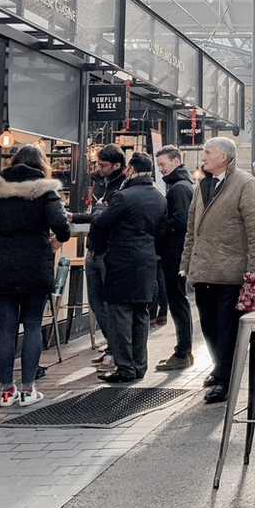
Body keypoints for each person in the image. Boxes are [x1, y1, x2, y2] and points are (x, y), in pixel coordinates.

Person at [0, 145, 70, 406]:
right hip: (35, 261)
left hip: (3, 261)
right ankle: (28, 389)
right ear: (41, 164)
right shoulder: (45, 189)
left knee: (6, 327)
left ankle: (7, 391)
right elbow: (60, 224)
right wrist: (58, 240)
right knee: (32, 324)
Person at [181, 137, 255, 404]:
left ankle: (224, 379)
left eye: (208, 152)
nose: (203, 156)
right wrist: (186, 264)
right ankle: (220, 368)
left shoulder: (245, 183)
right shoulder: (201, 184)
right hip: (204, 270)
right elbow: (191, 228)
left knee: (227, 327)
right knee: (208, 326)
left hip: (231, 272)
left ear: (225, 157)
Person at [91, 153, 167, 383]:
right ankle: (139, 364)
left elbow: (102, 222)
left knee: (120, 314)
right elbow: (162, 232)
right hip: (146, 261)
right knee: (141, 314)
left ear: (131, 169)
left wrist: (98, 209)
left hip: (122, 261)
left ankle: (125, 367)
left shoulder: (123, 197)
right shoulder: (160, 198)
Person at [71, 143, 127, 373]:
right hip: (93, 247)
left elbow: (108, 216)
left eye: (103, 165)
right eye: (97, 164)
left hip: (109, 250)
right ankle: (111, 346)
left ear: (116, 165)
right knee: (95, 302)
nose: (99, 168)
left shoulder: (123, 186)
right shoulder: (97, 183)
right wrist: (77, 216)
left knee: (110, 303)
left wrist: (98, 212)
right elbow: (97, 214)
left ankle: (116, 350)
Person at [154, 146, 196, 371]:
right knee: (178, 300)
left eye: (163, 164)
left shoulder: (179, 187)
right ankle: (183, 350)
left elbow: (181, 221)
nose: (160, 169)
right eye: (158, 165)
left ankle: (183, 351)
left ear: (176, 161)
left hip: (175, 252)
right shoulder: (181, 184)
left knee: (177, 300)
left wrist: (161, 226)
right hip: (176, 251)